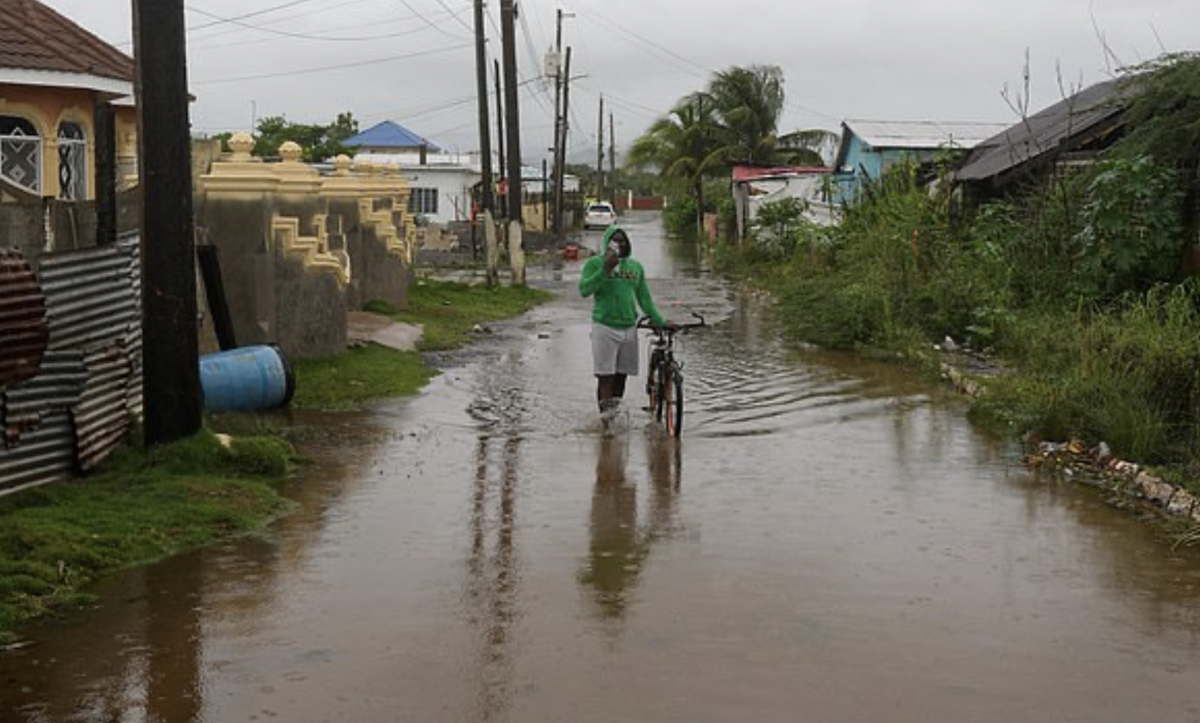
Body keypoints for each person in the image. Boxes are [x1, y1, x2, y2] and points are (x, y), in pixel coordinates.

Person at [579, 225, 670, 416]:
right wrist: (605, 269)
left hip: (629, 328)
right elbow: (584, 290)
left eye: (623, 240)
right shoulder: (594, 264)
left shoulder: (635, 267)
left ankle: (615, 415)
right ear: (607, 243)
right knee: (606, 377)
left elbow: (644, 299)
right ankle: (606, 424)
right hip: (604, 327)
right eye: (615, 240)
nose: (619, 244)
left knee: (621, 377)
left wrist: (660, 321)